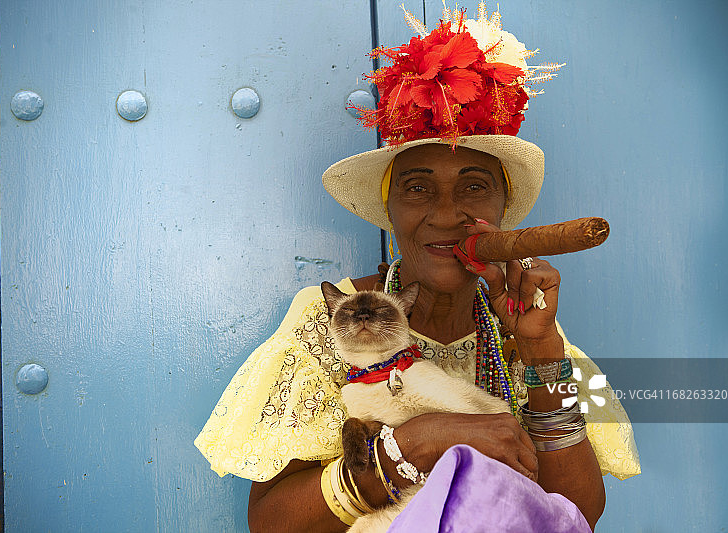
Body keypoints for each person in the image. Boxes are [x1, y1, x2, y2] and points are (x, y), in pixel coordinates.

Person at [195, 4, 639, 532]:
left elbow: (577, 513)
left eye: (474, 186)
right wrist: (419, 442)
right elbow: (271, 522)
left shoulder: (528, 322)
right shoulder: (327, 319)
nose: (447, 214)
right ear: (390, 211)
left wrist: (542, 348)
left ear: (501, 210)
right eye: (417, 187)